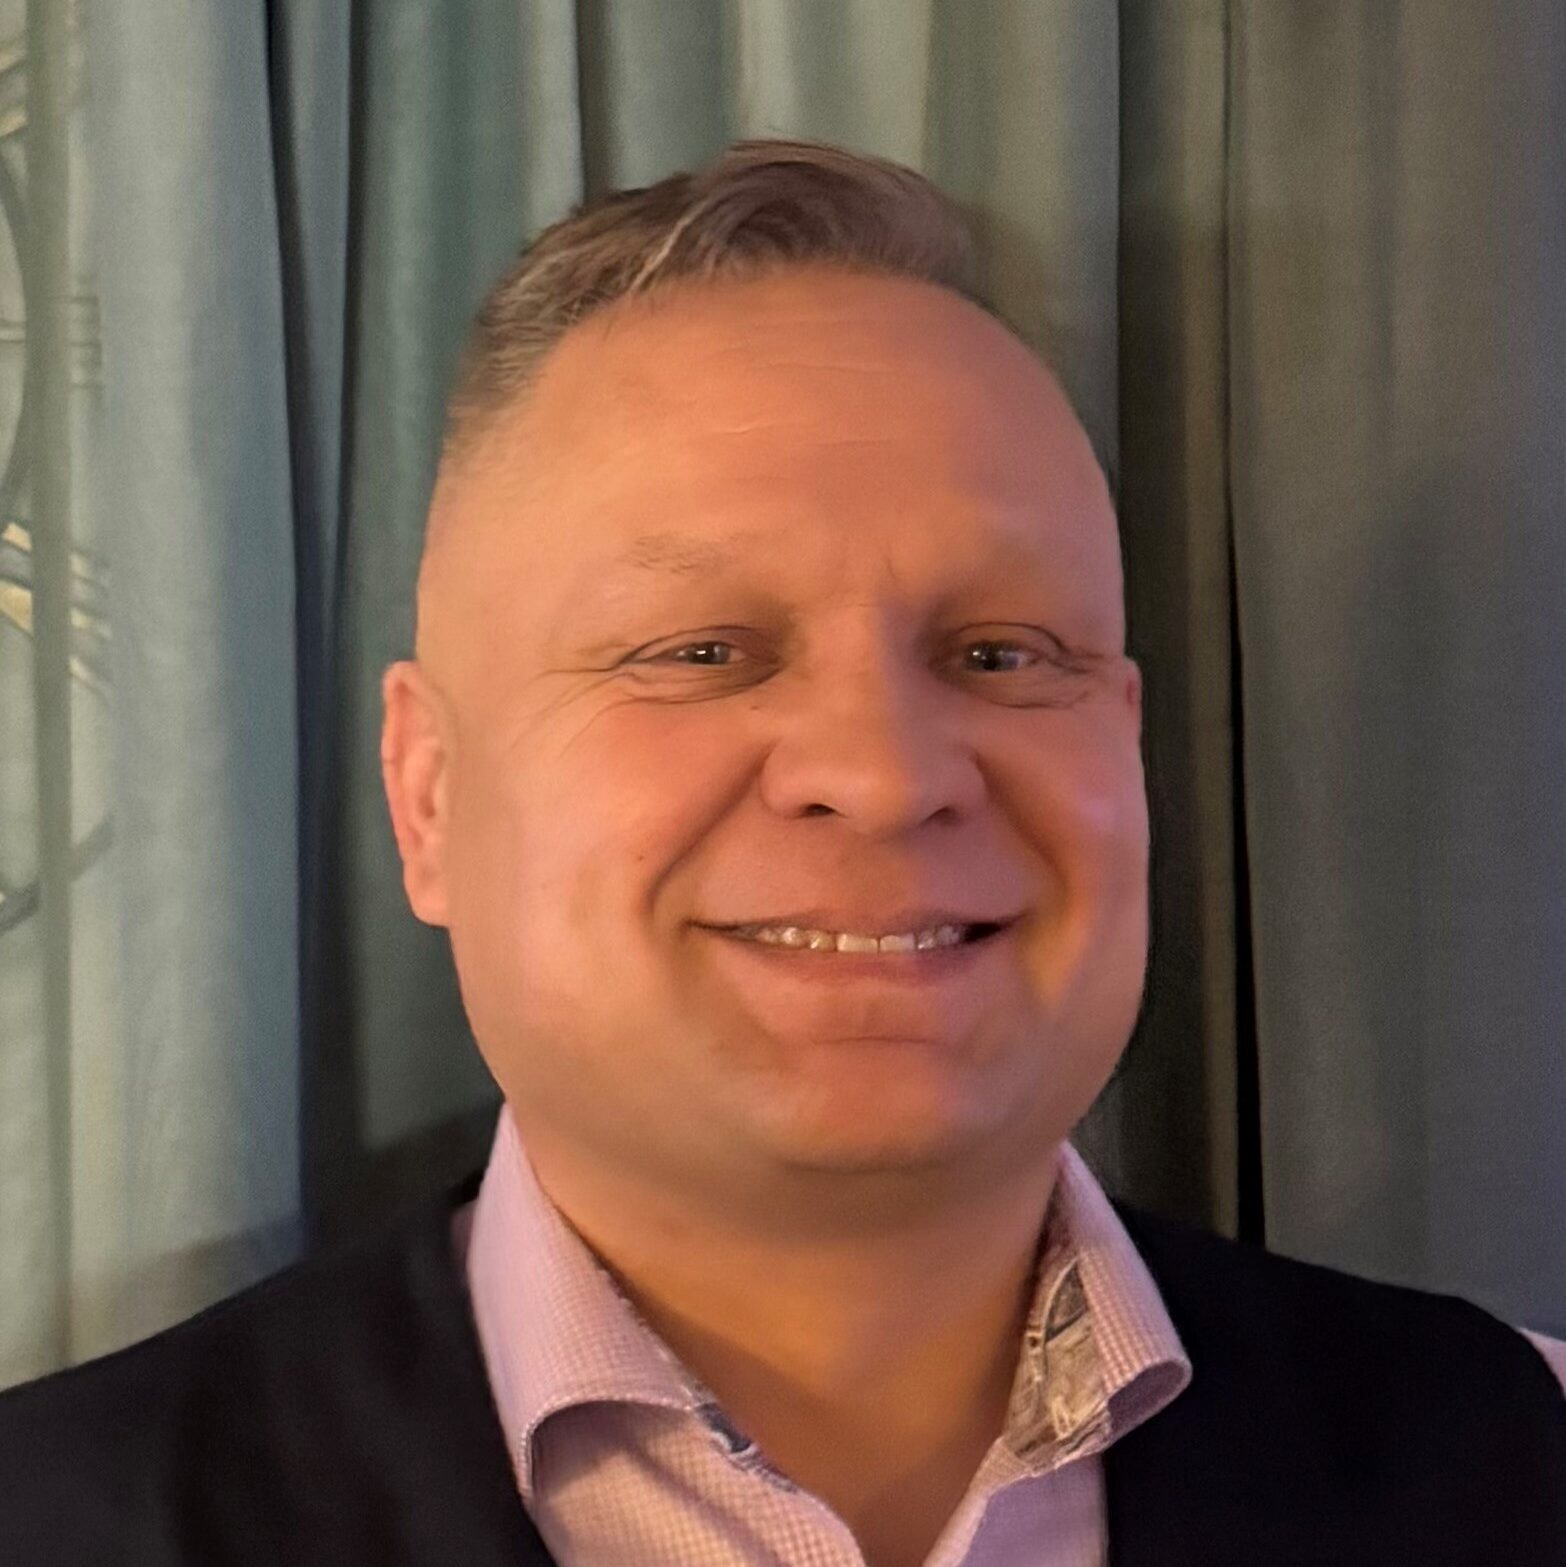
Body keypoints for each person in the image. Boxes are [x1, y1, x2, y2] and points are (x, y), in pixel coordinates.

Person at [1, 137, 1563, 1567]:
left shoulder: (1518, 1458)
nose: (881, 778)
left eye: (1002, 654)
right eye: (700, 651)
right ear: (429, 797)